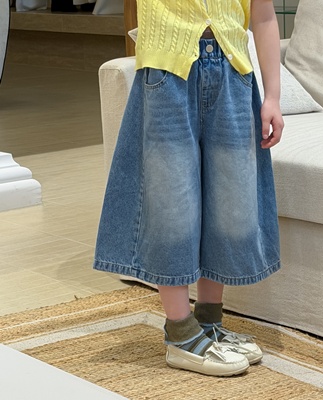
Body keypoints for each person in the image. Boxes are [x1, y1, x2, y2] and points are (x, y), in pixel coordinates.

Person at [94, 0, 283, 377]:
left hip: (234, 77)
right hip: (167, 79)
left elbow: (263, 17)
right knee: (172, 206)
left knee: (230, 205)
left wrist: (273, 98)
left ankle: (209, 322)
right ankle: (180, 332)